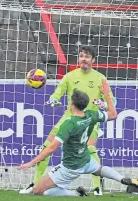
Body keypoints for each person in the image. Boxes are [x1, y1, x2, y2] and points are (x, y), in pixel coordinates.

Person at [19, 46, 116, 196]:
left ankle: (97, 188)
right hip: (68, 119)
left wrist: (104, 104)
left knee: (90, 149)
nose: (84, 59)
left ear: (93, 60)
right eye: (81, 56)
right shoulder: (69, 76)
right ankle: (35, 183)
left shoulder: (100, 78)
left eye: (87, 56)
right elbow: (56, 95)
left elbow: (112, 101)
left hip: (90, 120)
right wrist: (53, 101)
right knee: (46, 146)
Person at [18, 85, 138, 196]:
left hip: (70, 166)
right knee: (99, 169)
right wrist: (106, 94)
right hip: (85, 159)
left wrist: (32, 162)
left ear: (71, 103)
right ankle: (122, 179)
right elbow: (113, 115)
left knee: (38, 190)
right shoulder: (91, 114)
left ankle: (76, 194)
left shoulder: (69, 123)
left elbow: (52, 148)